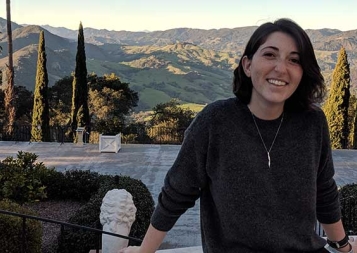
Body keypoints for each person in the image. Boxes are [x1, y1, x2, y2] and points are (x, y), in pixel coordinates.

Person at [119, 18, 356, 253]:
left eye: (294, 60)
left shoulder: (312, 122)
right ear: (247, 65)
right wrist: (144, 251)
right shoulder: (215, 121)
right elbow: (176, 194)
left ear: (303, 72)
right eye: (270, 55)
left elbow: (324, 190)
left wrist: (343, 246)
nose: (281, 68)